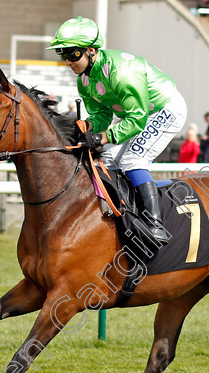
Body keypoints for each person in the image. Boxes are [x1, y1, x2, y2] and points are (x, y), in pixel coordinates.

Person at [48, 16, 188, 243]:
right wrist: (86, 127)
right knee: (109, 159)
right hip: (136, 115)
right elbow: (102, 115)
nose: (68, 61)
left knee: (133, 159)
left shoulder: (121, 73)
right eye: (63, 54)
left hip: (164, 108)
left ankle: (154, 224)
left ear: (91, 51)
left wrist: (103, 137)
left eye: (72, 53)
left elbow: (137, 118)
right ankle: (120, 217)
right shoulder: (84, 79)